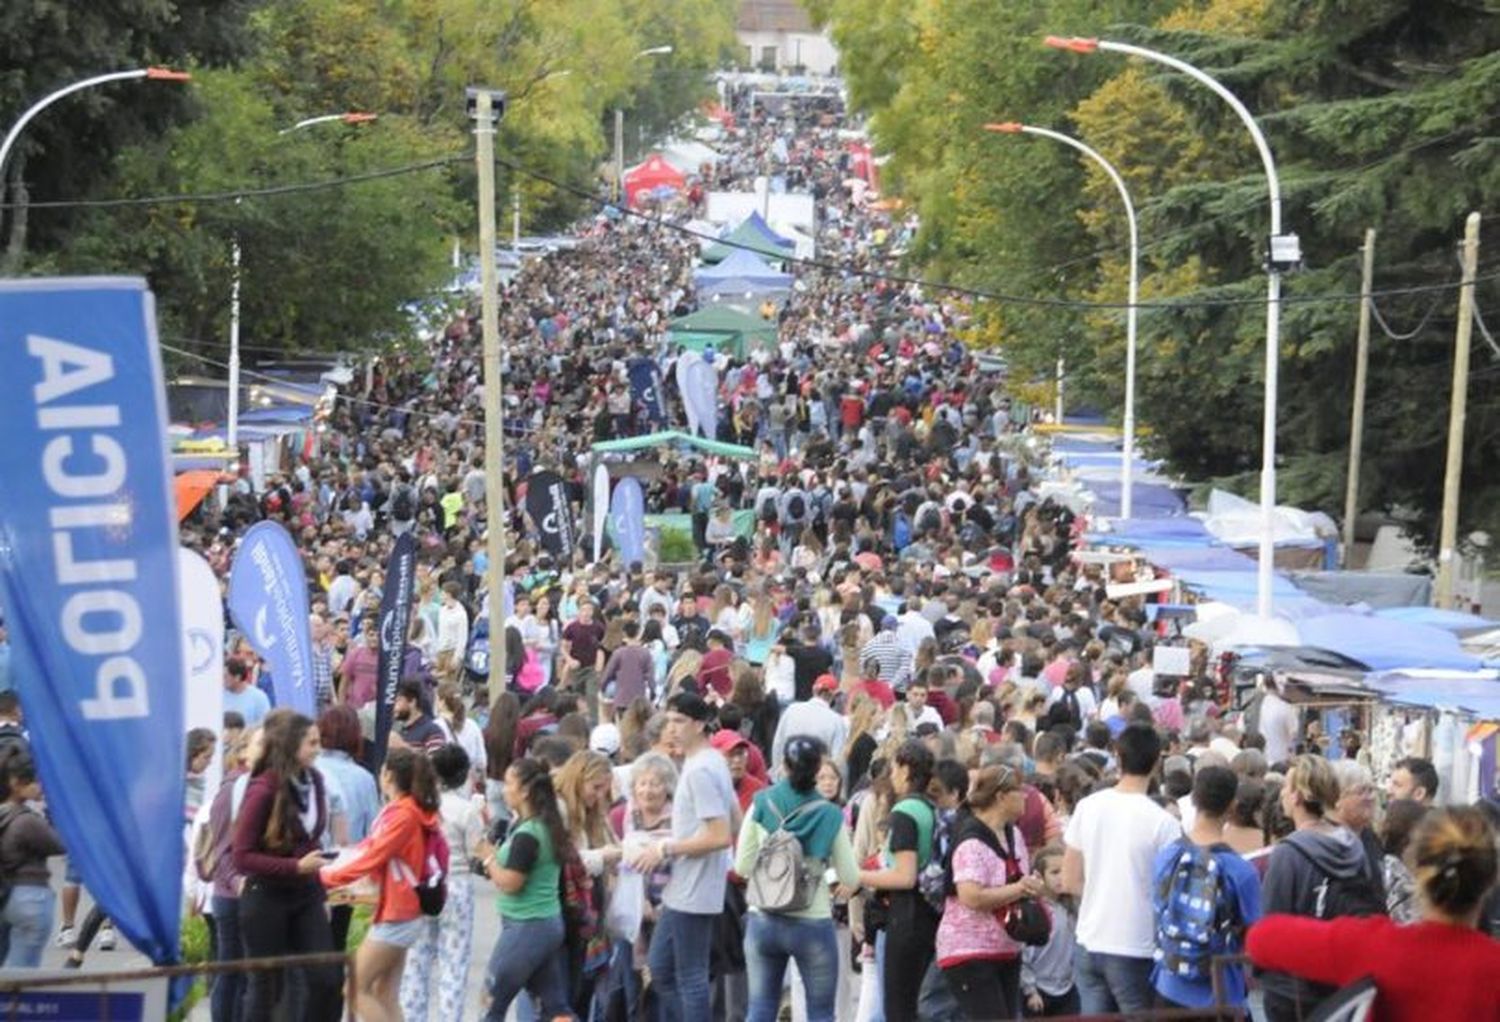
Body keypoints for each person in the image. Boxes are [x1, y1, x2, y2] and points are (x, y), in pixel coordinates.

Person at [1248, 806, 1500, 1020]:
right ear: (1491, 878)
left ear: (1415, 865)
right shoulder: (1492, 966)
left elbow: (1261, 938)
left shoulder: (1373, 946)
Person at [627, 690, 737, 1022]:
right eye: (669, 720)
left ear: (700, 724)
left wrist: (666, 847)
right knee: (661, 967)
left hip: (694, 887)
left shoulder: (703, 768)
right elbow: (734, 816)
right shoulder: (707, 761)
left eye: (680, 721)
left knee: (689, 975)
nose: (672, 728)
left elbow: (720, 834)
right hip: (686, 885)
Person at [735, 736, 859, 1022]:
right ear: (817, 770)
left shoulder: (762, 802)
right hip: (812, 921)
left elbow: (742, 865)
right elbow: (850, 876)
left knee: (760, 1009)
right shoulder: (829, 814)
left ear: (784, 766)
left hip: (763, 918)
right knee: (820, 1013)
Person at [1062, 723, 1182, 1014]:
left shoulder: (1088, 807)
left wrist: (1100, 893)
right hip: (1134, 944)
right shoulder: (1164, 823)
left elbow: (1069, 879)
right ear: (1157, 762)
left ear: (1117, 756)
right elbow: (1171, 892)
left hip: (1089, 938)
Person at [231, 709, 342, 1020]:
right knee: (267, 988)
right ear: (291, 744)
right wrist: (295, 867)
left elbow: (311, 842)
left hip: (306, 893)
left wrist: (320, 892)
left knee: (327, 979)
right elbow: (242, 856)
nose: (318, 749)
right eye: (312, 743)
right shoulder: (264, 788)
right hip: (266, 896)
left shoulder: (316, 780)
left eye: (318, 742)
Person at [1259, 754, 1387, 1022]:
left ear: (1296, 797)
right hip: (1342, 985)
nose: (1282, 793)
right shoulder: (1353, 844)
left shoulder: (1289, 853)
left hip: (1295, 991)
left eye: (1286, 787)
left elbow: (1272, 925)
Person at [319, 747, 441, 1022]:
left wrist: (325, 878)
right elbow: (371, 849)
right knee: (384, 993)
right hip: (402, 910)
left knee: (353, 990)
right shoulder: (408, 811)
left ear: (387, 775)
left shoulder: (402, 814)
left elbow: (373, 856)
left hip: (397, 912)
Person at [935, 764, 1043, 1020]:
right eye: (1020, 790)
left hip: (1007, 946)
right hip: (969, 949)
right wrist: (1019, 888)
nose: (1026, 796)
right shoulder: (971, 840)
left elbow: (1019, 881)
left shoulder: (1013, 834)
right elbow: (970, 896)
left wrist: (1029, 886)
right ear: (1001, 796)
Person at [1150, 765, 1261, 1011]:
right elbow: (1254, 938)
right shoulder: (1240, 871)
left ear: (1194, 799)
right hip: (1221, 992)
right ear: (1233, 806)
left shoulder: (1167, 856)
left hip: (1168, 984)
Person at [479, 757, 574, 1021]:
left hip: (526, 926)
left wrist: (487, 857)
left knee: (490, 1002)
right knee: (555, 1007)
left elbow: (510, 883)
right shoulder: (543, 825)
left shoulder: (528, 833)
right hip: (544, 924)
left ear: (525, 791)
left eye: (509, 783)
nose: (504, 789)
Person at [399, 744, 485, 1021]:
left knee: (416, 962)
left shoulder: (418, 806)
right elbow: (478, 854)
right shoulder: (466, 811)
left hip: (423, 884)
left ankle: (412, 1016)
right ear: (462, 776)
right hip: (457, 885)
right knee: (454, 964)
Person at [857, 739, 940, 1022]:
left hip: (906, 917)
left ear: (905, 770)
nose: (891, 776)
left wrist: (858, 876)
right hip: (926, 916)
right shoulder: (928, 808)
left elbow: (905, 875)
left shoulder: (904, 813)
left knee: (899, 1008)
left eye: (893, 769)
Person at [0, 753, 64, 967]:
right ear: (16, 783)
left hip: (6, 896)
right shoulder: (26, 821)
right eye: (35, 781)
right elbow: (59, 844)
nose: (40, 786)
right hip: (31, 898)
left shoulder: (5, 815)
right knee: (21, 976)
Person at [1020, 845, 1079, 1017]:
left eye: (1065, 871)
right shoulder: (1034, 911)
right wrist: (1030, 990)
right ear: (1039, 875)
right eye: (1055, 872)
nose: (1062, 877)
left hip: (1067, 988)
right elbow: (1023, 955)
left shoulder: (1071, 908)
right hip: (1038, 991)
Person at [771, 674, 848, 770]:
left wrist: (777, 773)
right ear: (835, 696)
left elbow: (778, 744)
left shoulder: (791, 709)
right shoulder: (836, 721)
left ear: (814, 690)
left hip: (788, 773)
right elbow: (837, 760)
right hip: (816, 778)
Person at [394, 679, 448, 755]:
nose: (394, 707)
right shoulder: (400, 729)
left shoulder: (432, 731)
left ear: (412, 702)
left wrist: (402, 746)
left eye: (398, 701)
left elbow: (435, 764)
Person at [223, 657, 271, 727]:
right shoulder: (218, 696)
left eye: (225, 676)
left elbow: (265, 726)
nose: (221, 679)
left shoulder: (258, 697)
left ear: (237, 677)